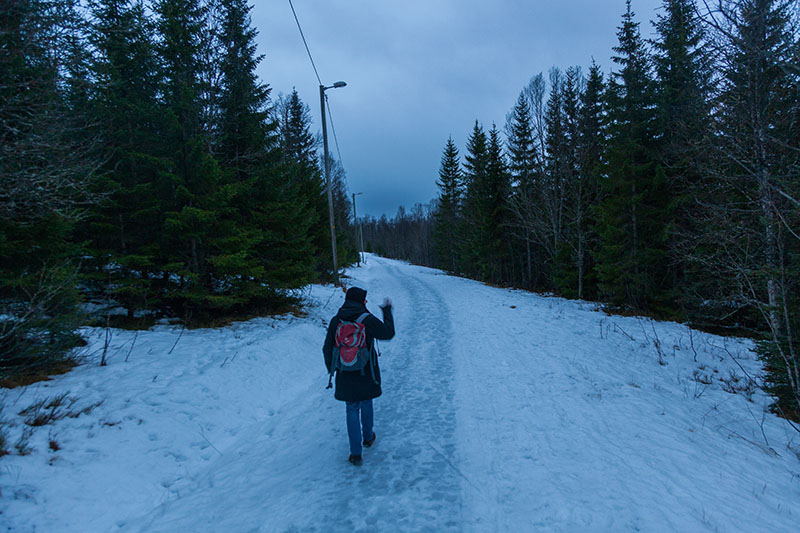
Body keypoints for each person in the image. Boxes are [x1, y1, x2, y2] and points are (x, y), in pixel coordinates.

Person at [323, 286, 394, 466]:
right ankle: (368, 437)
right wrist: (387, 311)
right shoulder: (366, 319)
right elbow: (388, 333)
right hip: (366, 370)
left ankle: (355, 453)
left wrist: (333, 368)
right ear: (360, 301)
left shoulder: (336, 320)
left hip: (345, 372)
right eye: (364, 299)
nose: (366, 301)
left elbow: (327, 347)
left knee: (351, 407)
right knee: (366, 402)